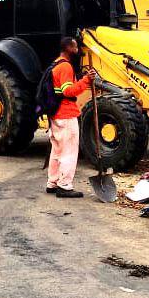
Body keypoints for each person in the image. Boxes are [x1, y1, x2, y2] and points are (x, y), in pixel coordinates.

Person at [45, 37, 96, 198]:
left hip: (55, 114)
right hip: (66, 114)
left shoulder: (55, 64)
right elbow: (68, 91)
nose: (78, 49)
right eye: (75, 46)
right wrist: (86, 81)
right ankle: (64, 185)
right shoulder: (66, 67)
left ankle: (52, 183)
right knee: (69, 151)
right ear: (68, 48)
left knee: (57, 149)